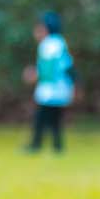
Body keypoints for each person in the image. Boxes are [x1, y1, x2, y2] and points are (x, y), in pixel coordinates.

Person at [22, 10, 75, 153]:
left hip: (50, 89)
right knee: (55, 119)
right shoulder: (60, 42)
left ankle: (36, 145)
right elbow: (68, 66)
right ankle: (57, 146)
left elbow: (48, 68)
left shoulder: (48, 44)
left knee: (41, 118)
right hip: (62, 88)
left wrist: (34, 75)